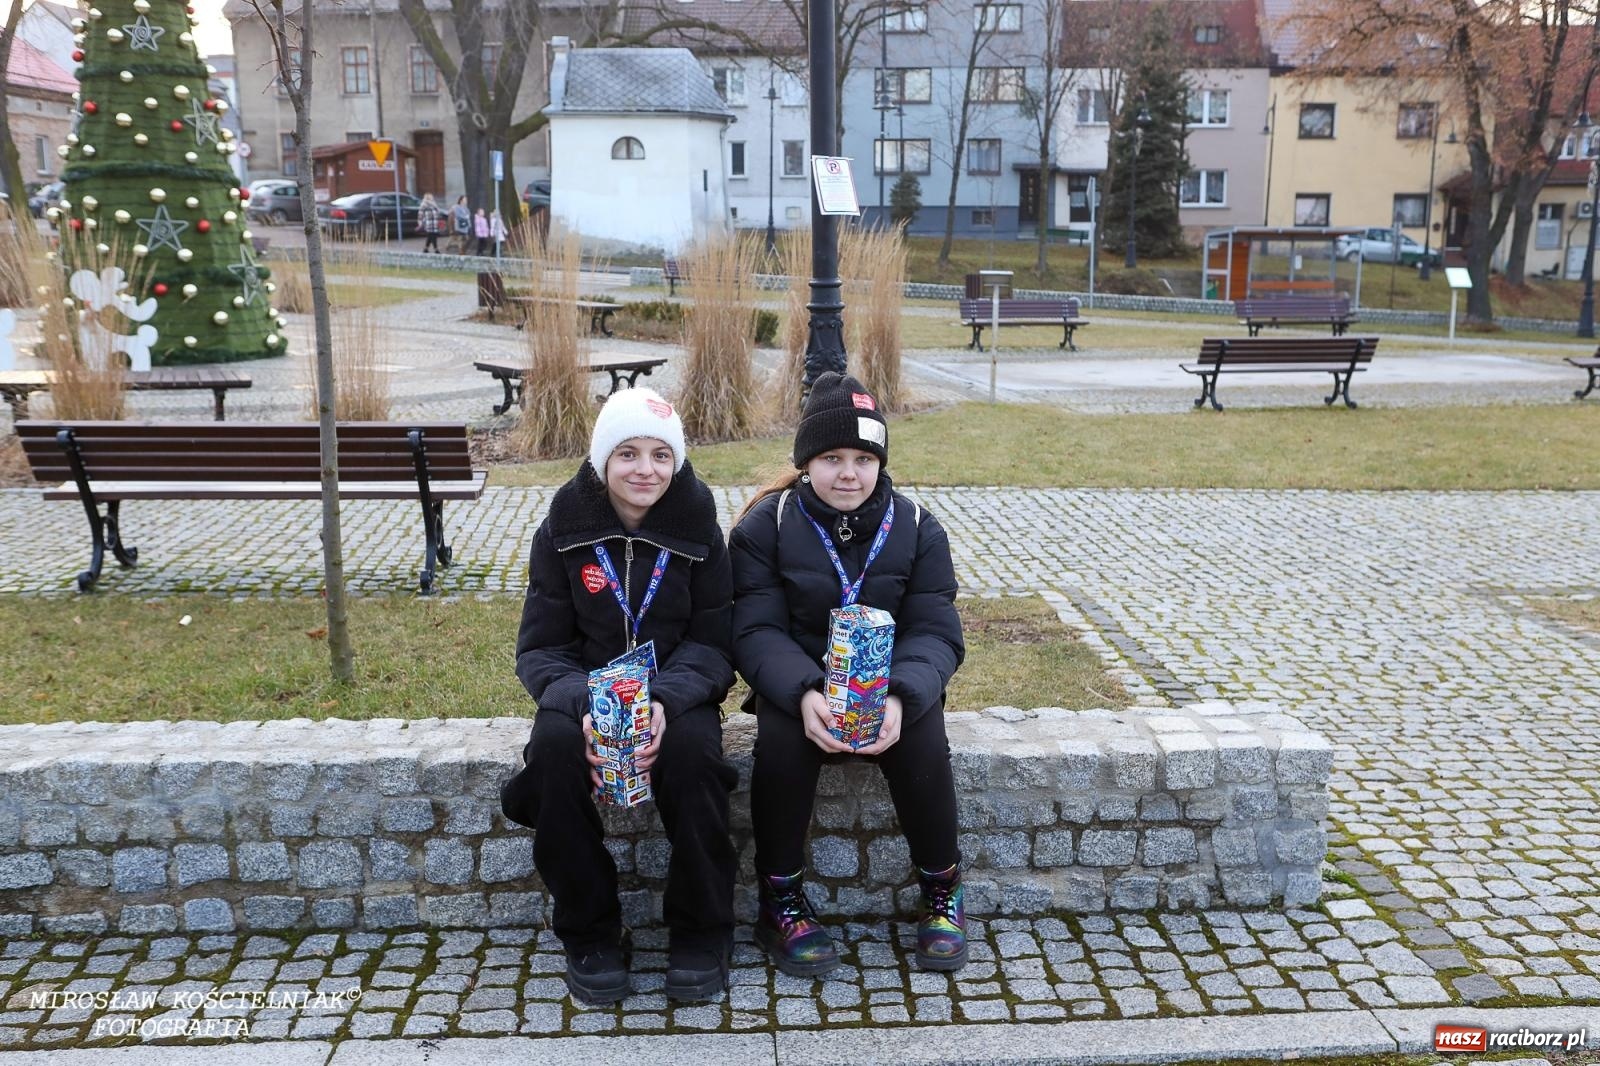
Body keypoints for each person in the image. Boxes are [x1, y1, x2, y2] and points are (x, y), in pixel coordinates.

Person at [502, 387, 739, 1005]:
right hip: (582, 698)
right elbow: (540, 649)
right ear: (602, 460)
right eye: (628, 453)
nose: (645, 470)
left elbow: (714, 646)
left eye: (661, 455)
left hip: (673, 697)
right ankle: (591, 931)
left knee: (693, 761)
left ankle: (701, 930)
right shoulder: (562, 530)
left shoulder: (701, 531)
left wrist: (662, 701)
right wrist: (587, 706)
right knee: (552, 754)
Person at [729, 372, 966, 977]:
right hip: (800, 686)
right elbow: (754, 629)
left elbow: (936, 630)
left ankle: (942, 890)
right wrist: (803, 692)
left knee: (923, 738)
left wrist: (901, 696)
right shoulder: (767, 525)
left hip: (888, 686)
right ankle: (781, 898)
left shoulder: (916, 526)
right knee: (781, 744)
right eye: (831, 458)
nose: (848, 474)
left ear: (879, 462)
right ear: (806, 461)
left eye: (863, 459)